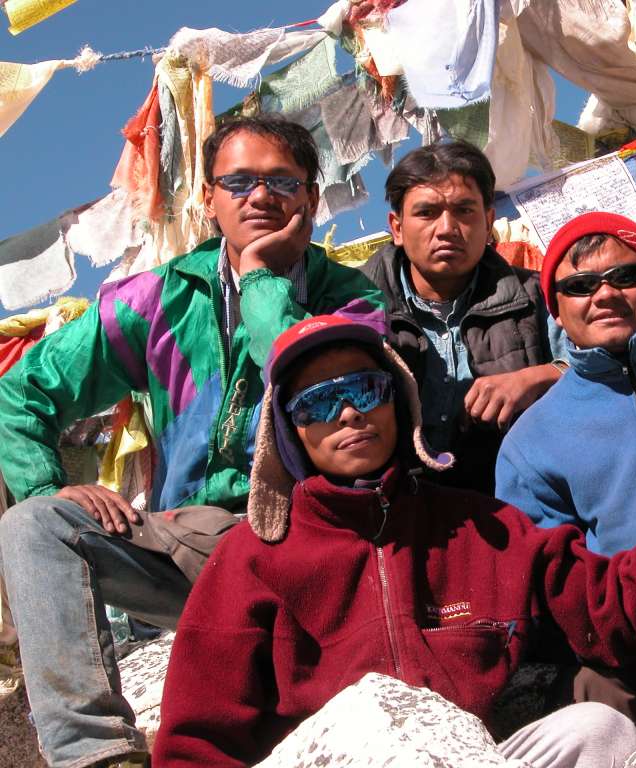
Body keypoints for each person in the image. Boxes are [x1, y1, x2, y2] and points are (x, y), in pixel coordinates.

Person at [151, 313, 636, 767]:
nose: (348, 413)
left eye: (364, 389)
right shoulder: (253, 557)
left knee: (601, 733)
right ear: (289, 433)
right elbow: (196, 738)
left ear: (399, 401)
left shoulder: (481, 526)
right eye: (317, 404)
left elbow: (610, 610)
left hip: (470, 755)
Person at [0, 116, 383, 768]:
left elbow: (295, 373)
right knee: (34, 526)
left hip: (316, 542)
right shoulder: (155, 301)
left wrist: (263, 276)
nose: (259, 196)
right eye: (238, 181)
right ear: (209, 199)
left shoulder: (354, 301)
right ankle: (98, 757)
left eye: (281, 181)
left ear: (312, 200)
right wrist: (50, 485)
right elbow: (20, 392)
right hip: (196, 549)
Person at [494, 212, 636, 737]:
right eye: (580, 285)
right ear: (556, 305)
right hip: (618, 642)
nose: (605, 294)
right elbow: (549, 580)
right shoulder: (532, 438)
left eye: (625, 276)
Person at [361, 140, 566, 494]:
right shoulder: (356, 308)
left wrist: (538, 377)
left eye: (464, 211)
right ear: (396, 227)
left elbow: (601, 368)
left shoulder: (539, 295)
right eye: (427, 213)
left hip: (516, 504)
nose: (446, 228)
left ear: (488, 223)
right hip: (392, 511)